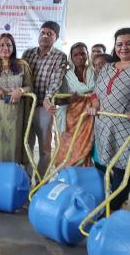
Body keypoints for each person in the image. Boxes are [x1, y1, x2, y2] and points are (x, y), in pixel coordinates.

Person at [87, 28, 130, 211]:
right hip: (104, 126)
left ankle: (106, 211)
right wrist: (95, 106)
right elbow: (96, 94)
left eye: (128, 44)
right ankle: (107, 207)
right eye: (120, 44)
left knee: (123, 172)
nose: (124, 48)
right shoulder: (106, 68)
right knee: (104, 168)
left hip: (125, 129)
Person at [22, 21, 67, 177]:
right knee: (26, 145)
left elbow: (56, 80)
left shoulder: (59, 57)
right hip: (26, 107)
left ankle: (41, 182)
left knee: (45, 149)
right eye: (43, 32)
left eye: (50, 34)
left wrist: (48, 99)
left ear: (56, 37)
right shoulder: (27, 54)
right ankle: (26, 180)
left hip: (44, 108)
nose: (45, 36)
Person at [0, 33, 32, 164]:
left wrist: (20, 90)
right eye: (2, 45)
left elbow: (29, 87)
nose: (5, 48)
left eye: (9, 45)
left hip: (16, 112)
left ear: (13, 48)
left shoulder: (23, 66)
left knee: (14, 143)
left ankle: (13, 174)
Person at [54, 42, 95, 167]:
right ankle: (67, 176)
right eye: (76, 54)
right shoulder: (65, 75)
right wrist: (70, 99)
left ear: (87, 55)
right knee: (67, 148)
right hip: (69, 118)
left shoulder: (94, 71)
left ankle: (83, 176)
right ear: (71, 57)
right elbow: (56, 100)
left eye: (83, 53)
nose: (80, 57)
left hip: (88, 116)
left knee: (84, 149)